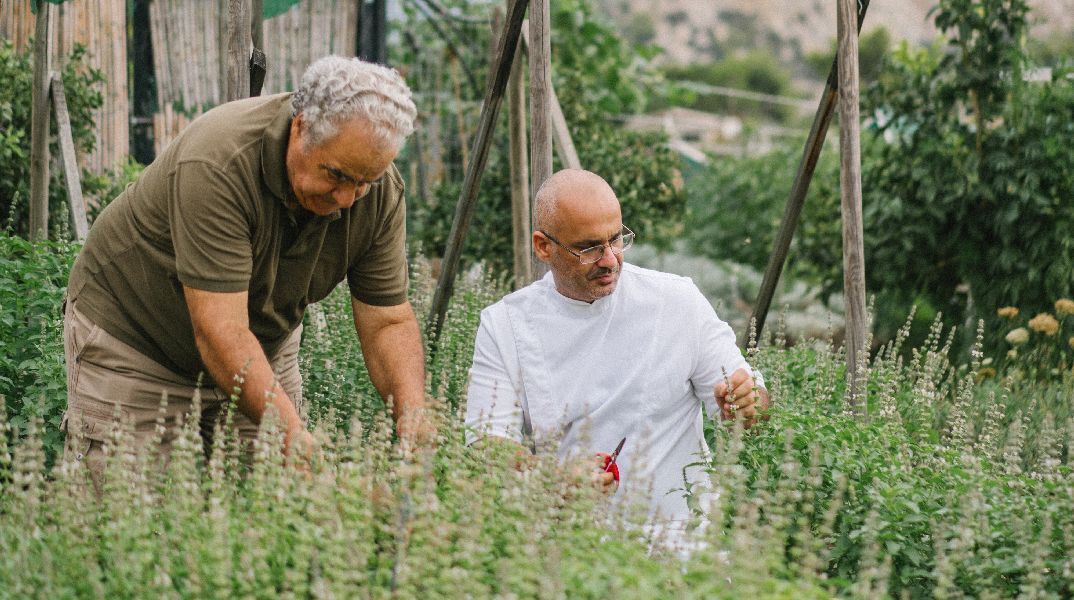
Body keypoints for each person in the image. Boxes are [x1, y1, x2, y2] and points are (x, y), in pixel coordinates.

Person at [63, 56, 429, 482]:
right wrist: (290, 431)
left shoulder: (378, 191)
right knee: (131, 516)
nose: (348, 198)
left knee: (275, 507)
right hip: (138, 342)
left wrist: (411, 415)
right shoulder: (218, 161)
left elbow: (387, 321)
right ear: (300, 128)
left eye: (364, 182)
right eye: (337, 175)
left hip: (262, 341)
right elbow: (221, 332)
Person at [464, 169, 770, 537]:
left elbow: (747, 399)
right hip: (571, 546)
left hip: (684, 542)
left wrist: (745, 400)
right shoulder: (505, 326)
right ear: (543, 246)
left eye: (616, 239)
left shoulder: (676, 301)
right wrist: (551, 478)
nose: (609, 259)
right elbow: (487, 445)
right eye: (589, 247)